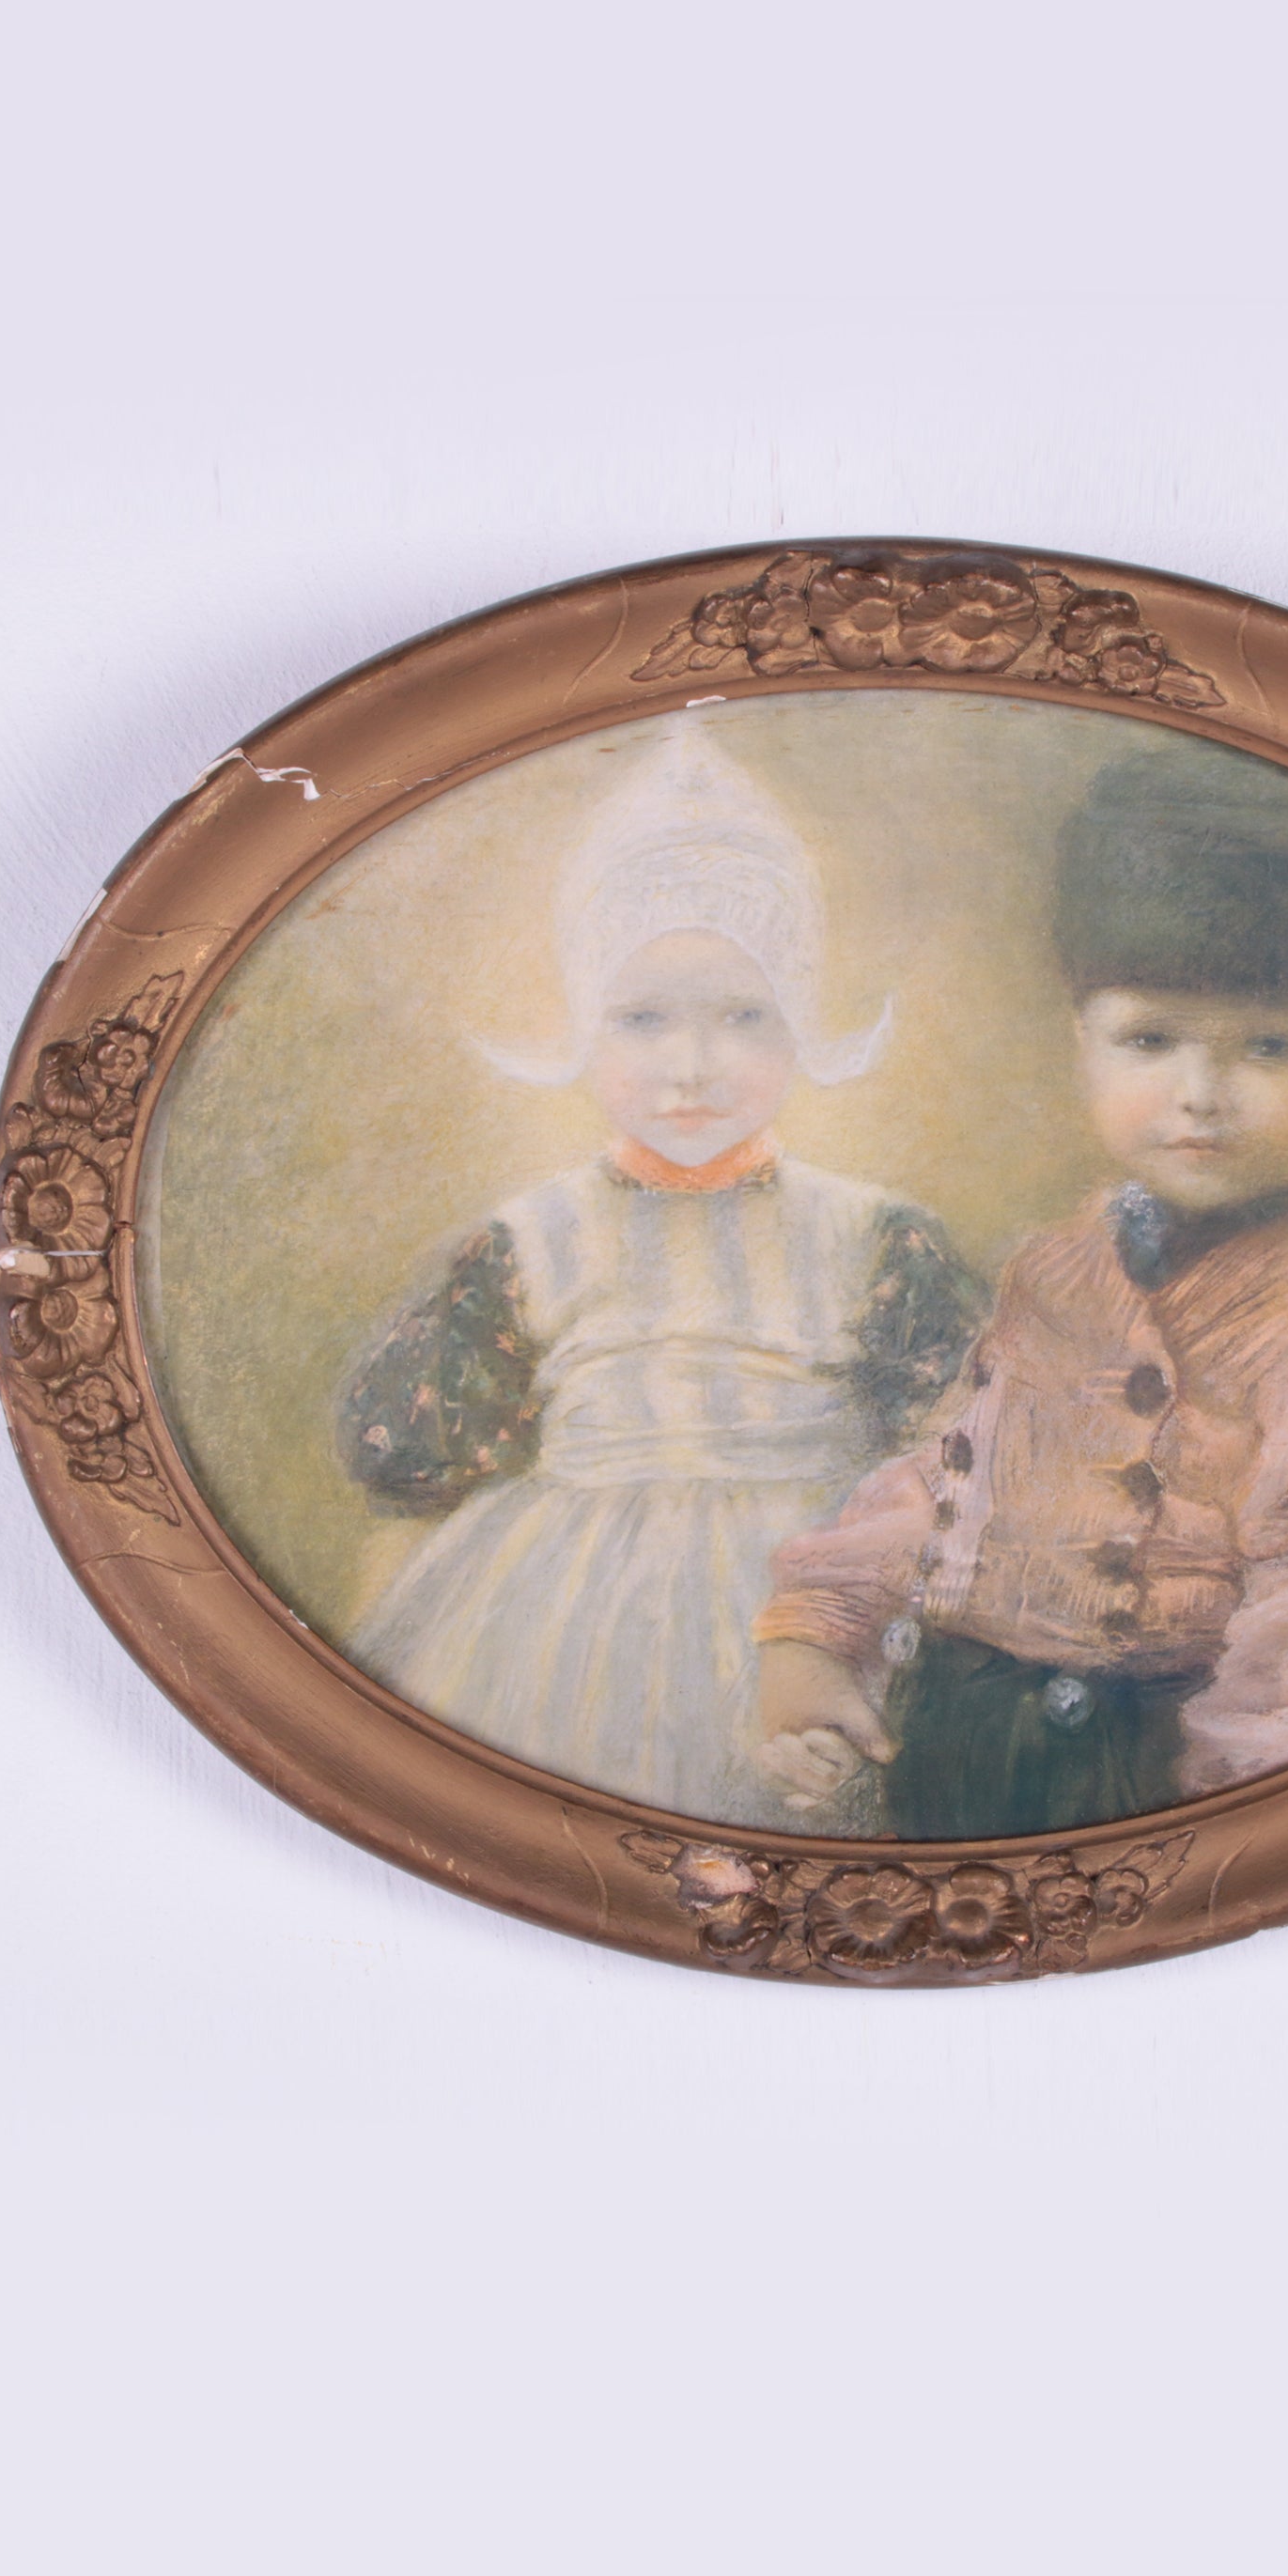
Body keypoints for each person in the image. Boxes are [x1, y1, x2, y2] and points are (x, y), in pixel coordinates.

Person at [753, 753, 1288, 1838]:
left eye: (1270, 1047)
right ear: (1083, 1044)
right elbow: (956, 1472)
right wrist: (819, 1633)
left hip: (1152, 1778)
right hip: (956, 1743)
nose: (1200, 1095)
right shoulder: (1060, 1266)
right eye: (1150, 1039)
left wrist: (1228, 1827)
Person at [339, 726, 981, 1826]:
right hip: (563, 1610)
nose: (691, 1066)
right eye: (642, 1019)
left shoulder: (874, 1236)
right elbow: (417, 1457)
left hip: (818, 1598)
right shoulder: (525, 1241)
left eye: (743, 1017)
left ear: (800, 1023)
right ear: (586, 1024)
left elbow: (956, 1447)